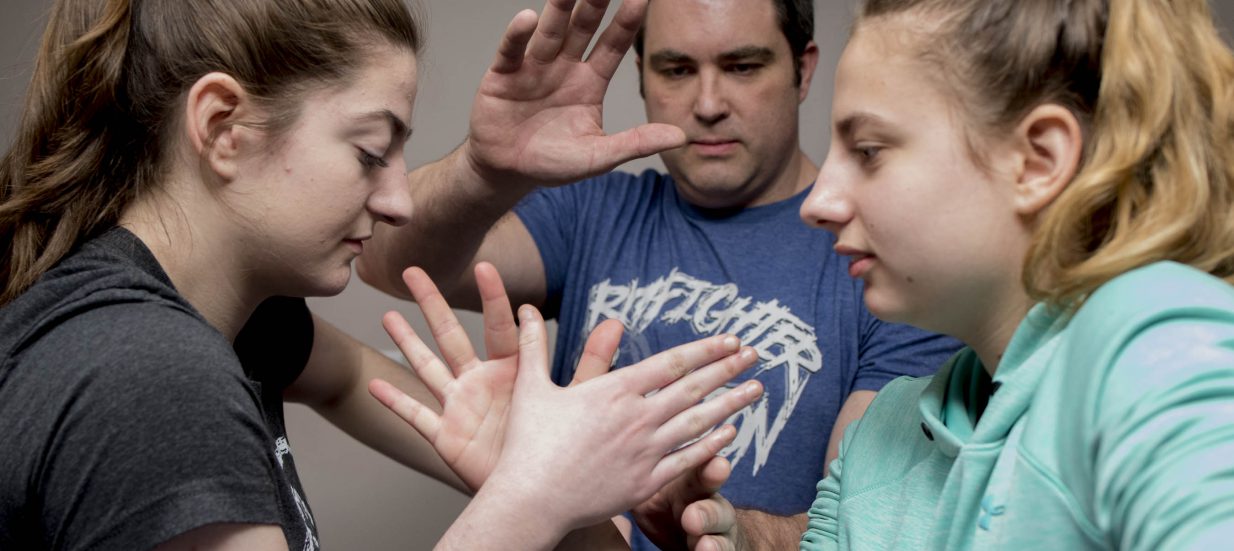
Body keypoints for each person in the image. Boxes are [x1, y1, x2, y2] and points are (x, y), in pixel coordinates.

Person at [0, 0, 765, 549]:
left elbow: (342, 379)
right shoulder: (152, 379)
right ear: (222, 129)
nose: (398, 198)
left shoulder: (222, 321)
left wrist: (522, 452)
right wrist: (527, 501)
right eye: (370, 151)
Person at [357, 0, 962, 547]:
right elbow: (380, 253)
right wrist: (485, 168)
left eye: (742, 66)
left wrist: (733, 536)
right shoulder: (593, 210)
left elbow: (862, 523)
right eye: (676, 70)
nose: (708, 104)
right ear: (642, 77)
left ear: (803, 71)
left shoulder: (882, 259)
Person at [658, 0, 1234, 548]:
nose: (819, 201)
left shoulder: (1158, 348)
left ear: (1037, 161)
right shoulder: (887, 430)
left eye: (869, 150)